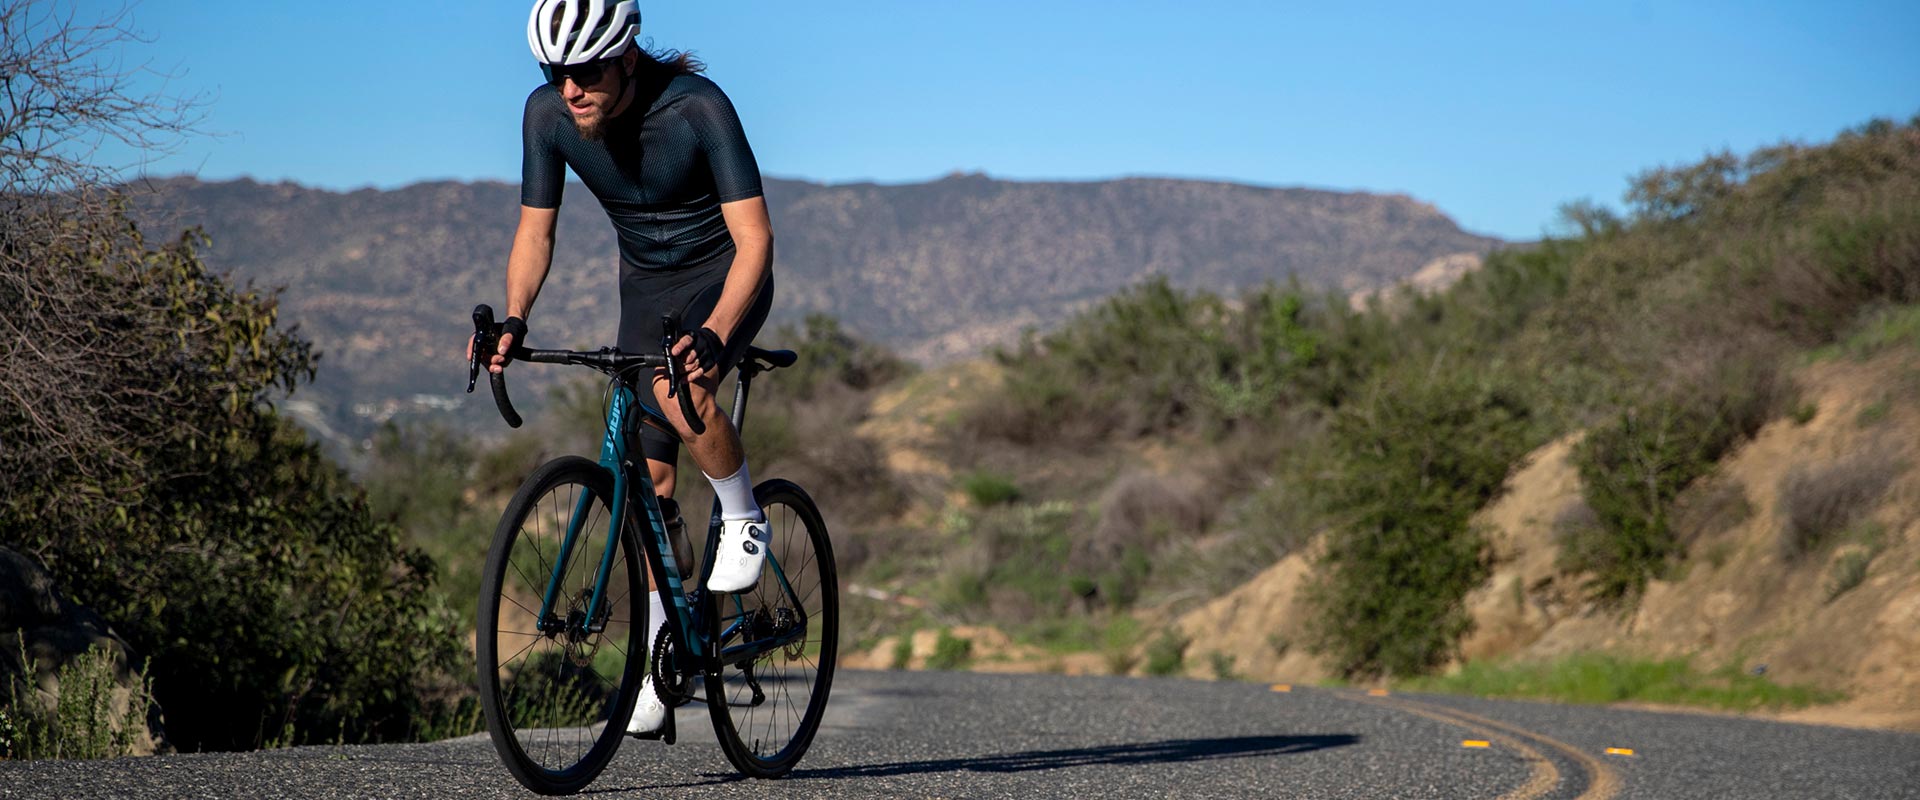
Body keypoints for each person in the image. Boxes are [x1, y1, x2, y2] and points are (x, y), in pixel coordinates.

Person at [487, 0, 774, 735]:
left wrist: (715, 333)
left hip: (723, 277)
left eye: (583, 71)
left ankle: (744, 515)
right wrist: (515, 316)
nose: (568, 88)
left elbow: (755, 241)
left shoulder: (698, 108)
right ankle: (661, 653)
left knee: (678, 393)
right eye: (553, 72)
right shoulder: (547, 116)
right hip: (644, 289)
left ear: (626, 56)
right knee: (647, 486)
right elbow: (534, 233)